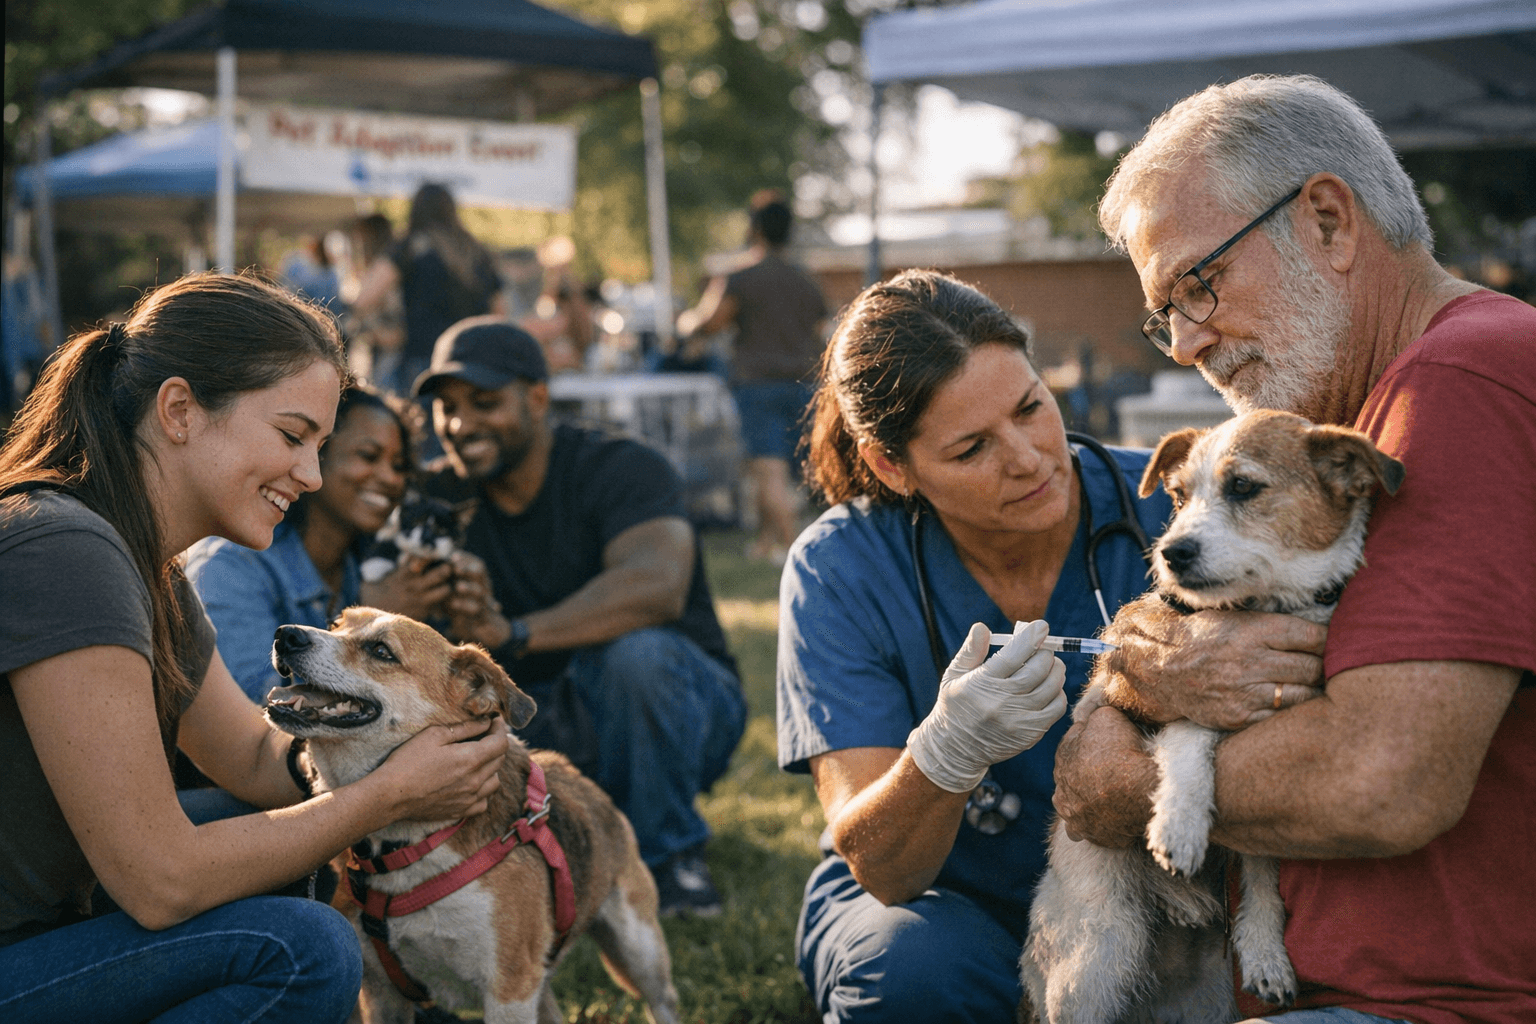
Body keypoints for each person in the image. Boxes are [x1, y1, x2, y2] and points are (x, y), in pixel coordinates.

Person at [1055, 74, 1535, 1024]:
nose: (1184, 343)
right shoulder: (1376, 404)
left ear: (1327, 221)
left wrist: (1118, 780)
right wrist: (1158, 676)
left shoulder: (1461, 383)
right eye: (1165, 313)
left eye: (1199, 284)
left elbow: (1381, 782)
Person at [0, 272, 510, 1021]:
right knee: (305, 948)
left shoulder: (148, 568)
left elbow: (253, 758)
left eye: (320, 446)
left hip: (41, 934)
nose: (311, 475)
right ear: (180, 410)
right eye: (292, 436)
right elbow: (160, 881)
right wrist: (387, 796)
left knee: (255, 826)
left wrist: (420, 747)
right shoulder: (67, 549)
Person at [777, 269, 1187, 1022]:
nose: (1028, 458)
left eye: (1031, 407)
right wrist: (946, 754)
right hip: (946, 903)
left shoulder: (1174, 507)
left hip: (1149, 890)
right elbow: (885, 871)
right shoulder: (841, 568)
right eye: (971, 449)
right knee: (910, 973)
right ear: (891, 466)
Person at [412, 315, 748, 917]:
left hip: (678, 712)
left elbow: (657, 586)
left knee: (638, 658)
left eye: (485, 403)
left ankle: (669, 861)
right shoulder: (437, 496)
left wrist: (512, 633)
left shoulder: (620, 466)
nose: (460, 425)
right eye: (447, 408)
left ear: (538, 399)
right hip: (538, 720)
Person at [185, 383, 459, 703]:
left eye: (400, 466)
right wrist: (374, 626)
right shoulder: (230, 567)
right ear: (315, 456)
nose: (391, 478)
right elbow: (263, 703)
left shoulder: (389, 565)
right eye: (368, 456)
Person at [681, 195, 829, 564]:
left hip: (758, 385)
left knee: (768, 471)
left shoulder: (741, 277)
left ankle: (798, 555)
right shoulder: (805, 280)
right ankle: (766, 542)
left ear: (755, 229)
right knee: (782, 473)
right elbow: (822, 333)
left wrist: (687, 323)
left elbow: (710, 323)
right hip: (805, 385)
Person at [350, 183, 506, 397]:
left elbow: (364, 299)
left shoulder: (410, 247)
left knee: (422, 417)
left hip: (424, 361)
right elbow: (500, 314)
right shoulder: (475, 250)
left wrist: (380, 331)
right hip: (473, 362)